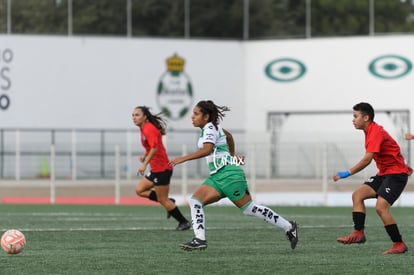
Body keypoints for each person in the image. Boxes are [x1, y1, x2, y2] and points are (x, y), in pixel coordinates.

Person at [169, 100, 298, 251]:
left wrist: (182, 159)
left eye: (196, 114)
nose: (192, 117)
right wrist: (231, 156)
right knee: (195, 201)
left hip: (229, 175)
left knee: (249, 209)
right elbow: (229, 137)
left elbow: (206, 150)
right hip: (219, 176)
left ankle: (289, 227)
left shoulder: (210, 128)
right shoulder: (212, 128)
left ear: (206, 117)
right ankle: (200, 239)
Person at [333, 102, 410, 254]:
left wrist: (347, 173)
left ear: (366, 117)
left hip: (396, 176)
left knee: (381, 208)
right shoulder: (370, 131)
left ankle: (399, 244)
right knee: (358, 195)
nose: (353, 120)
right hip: (385, 174)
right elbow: (392, 150)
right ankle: (358, 234)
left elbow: (367, 159)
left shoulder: (376, 132)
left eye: (356, 116)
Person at [132, 106, 191, 231]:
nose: (134, 117)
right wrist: (145, 156)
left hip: (162, 169)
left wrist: (144, 164)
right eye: (133, 115)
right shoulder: (143, 129)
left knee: (162, 199)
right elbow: (151, 148)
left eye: (137, 115)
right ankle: (170, 201)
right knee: (140, 190)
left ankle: (183, 222)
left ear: (145, 117)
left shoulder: (148, 129)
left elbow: (155, 148)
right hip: (156, 169)